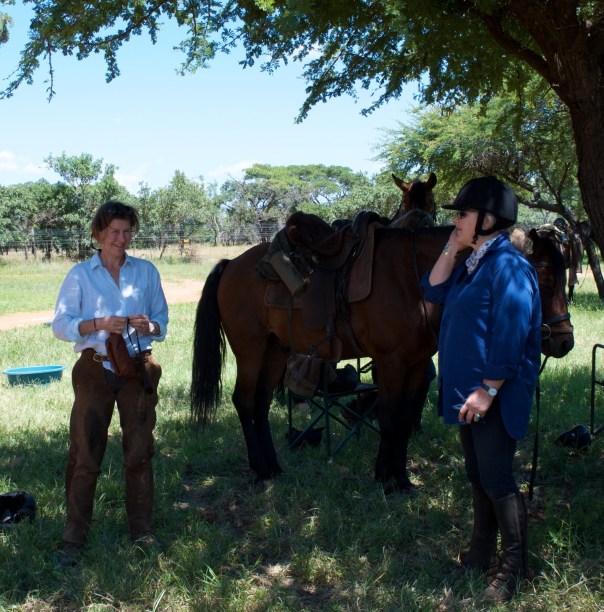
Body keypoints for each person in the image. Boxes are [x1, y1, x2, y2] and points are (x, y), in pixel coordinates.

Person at [421, 176, 542, 603]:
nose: (455, 219)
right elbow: (430, 290)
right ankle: (479, 554)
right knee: (477, 474)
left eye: (462, 214)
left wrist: (488, 389)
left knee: (496, 477)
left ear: (488, 220)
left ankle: (514, 568)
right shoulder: (473, 263)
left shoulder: (508, 266)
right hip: (468, 392)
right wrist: (453, 246)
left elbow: (511, 331)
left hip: (492, 394)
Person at [52, 201, 168, 566]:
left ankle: (141, 531)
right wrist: (97, 323)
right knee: (85, 452)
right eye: (114, 232)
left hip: (137, 369)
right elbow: (60, 324)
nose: (122, 239)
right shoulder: (80, 275)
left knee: (139, 451)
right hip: (95, 369)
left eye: (127, 231)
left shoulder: (146, 271)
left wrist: (149, 326)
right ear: (99, 234)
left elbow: (162, 321)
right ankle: (74, 536)